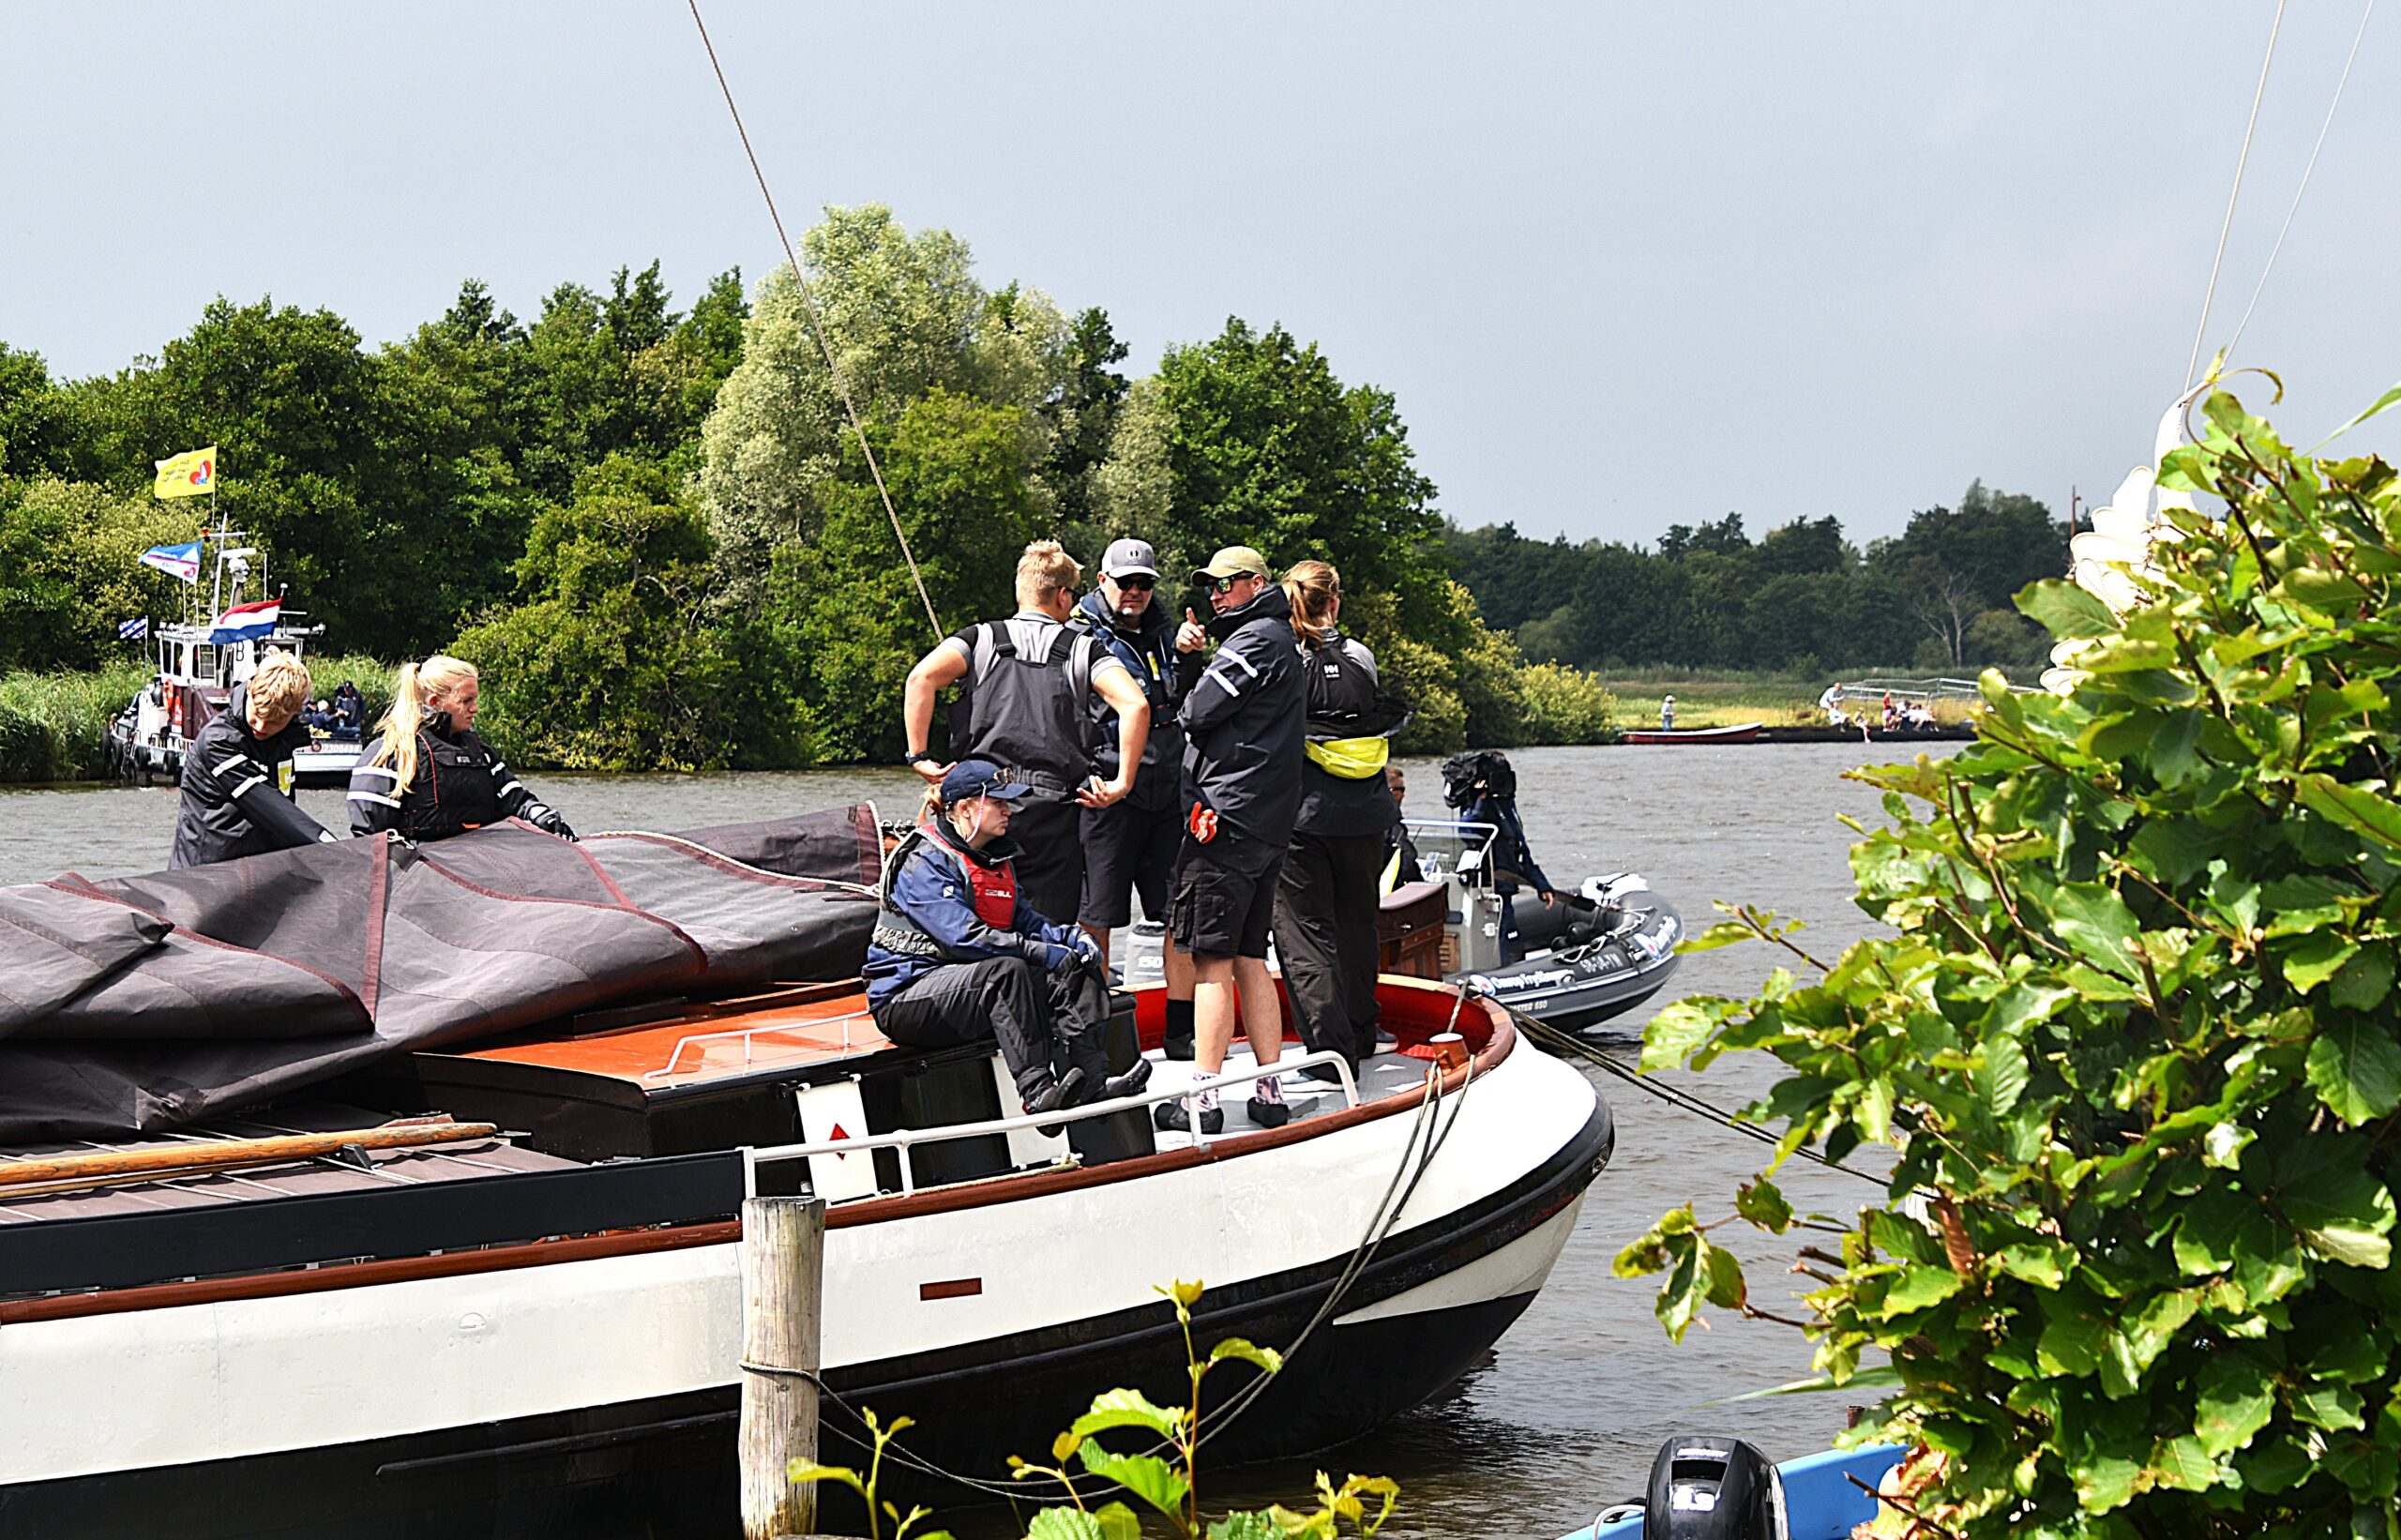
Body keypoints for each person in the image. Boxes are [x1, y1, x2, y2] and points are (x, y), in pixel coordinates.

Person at [866, 759, 1153, 1119]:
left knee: (1075, 964)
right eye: (999, 802)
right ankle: (1037, 1095)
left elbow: (1027, 921)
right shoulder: (924, 861)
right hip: (906, 999)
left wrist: (1070, 939)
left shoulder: (994, 857)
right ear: (966, 809)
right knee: (1007, 970)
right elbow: (964, 939)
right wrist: (1042, 953)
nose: (1009, 810)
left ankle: (1094, 1083)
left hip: (964, 990)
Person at [901, 541, 1153, 925]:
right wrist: (1121, 783)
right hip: (1051, 810)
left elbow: (921, 678)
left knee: (976, 916)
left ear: (1020, 590)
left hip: (980, 804)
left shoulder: (980, 638)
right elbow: (1135, 704)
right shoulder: (1084, 650)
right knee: (1047, 925)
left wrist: (919, 756)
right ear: (1064, 596)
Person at [1155, 545, 1306, 1135]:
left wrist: (1190, 662)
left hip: (1226, 821)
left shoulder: (1252, 642)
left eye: (1226, 585)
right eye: (1211, 587)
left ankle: (1205, 1097)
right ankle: (1268, 1089)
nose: (1216, 595)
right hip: (1267, 822)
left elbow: (1194, 712)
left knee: (1210, 958)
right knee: (1249, 956)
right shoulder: (1281, 639)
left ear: (1256, 583)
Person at [1271, 561, 1407, 1081]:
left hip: (1304, 816)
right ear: (1335, 602)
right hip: (1367, 812)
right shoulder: (1361, 657)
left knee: (1306, 934)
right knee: (1357, 925)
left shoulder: (1284, 659)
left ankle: (1331, 1054)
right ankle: (1362, 1030)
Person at [1066, 537, 1205, 980]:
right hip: (1106, 793)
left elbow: (1187, 702)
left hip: (1167, 794)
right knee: (1097, 911)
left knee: (1178, 913)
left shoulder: (1168, 632)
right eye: (1125, 582)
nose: (1135, 591)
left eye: (1144, 583)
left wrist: (1187, 658)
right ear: (1103, 580)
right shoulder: (1077, 636)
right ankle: (1096, 1022)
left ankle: (1180, 1029)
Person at [347, 655, 576, 842]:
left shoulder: (482, 754)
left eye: (475, 699)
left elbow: (516, 800)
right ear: (435, 702)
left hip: (477, 873)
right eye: (466, 701)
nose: (475, 709)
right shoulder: (391, 752)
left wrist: (543, 816)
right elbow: (368, 838)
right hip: (419, 882)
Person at [170, 648, 341, 868]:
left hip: (255, 872)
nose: (261, 727)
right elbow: (275, 809)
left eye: (274, 721)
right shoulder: (218, 741)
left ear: (294, 712)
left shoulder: (284, 738)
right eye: (258, 714)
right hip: (204, 877)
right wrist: (335, 850)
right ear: (250, 689)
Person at [1441, 751, 1555, 962]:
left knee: (1510, 939)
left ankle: (1512, 970)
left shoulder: (1506, 805)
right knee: (1500, 939)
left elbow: (1519, 846)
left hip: (1506, 887)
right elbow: (1467, 832)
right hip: (1488, 887)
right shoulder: (1476, 806)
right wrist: (1481, 798)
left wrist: (1541, 884)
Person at [1381, 763, 1424, 894]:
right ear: (1390, 791)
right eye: (1401, 790)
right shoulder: (1391, 825)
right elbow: (1407, 862)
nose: (1403, 795)